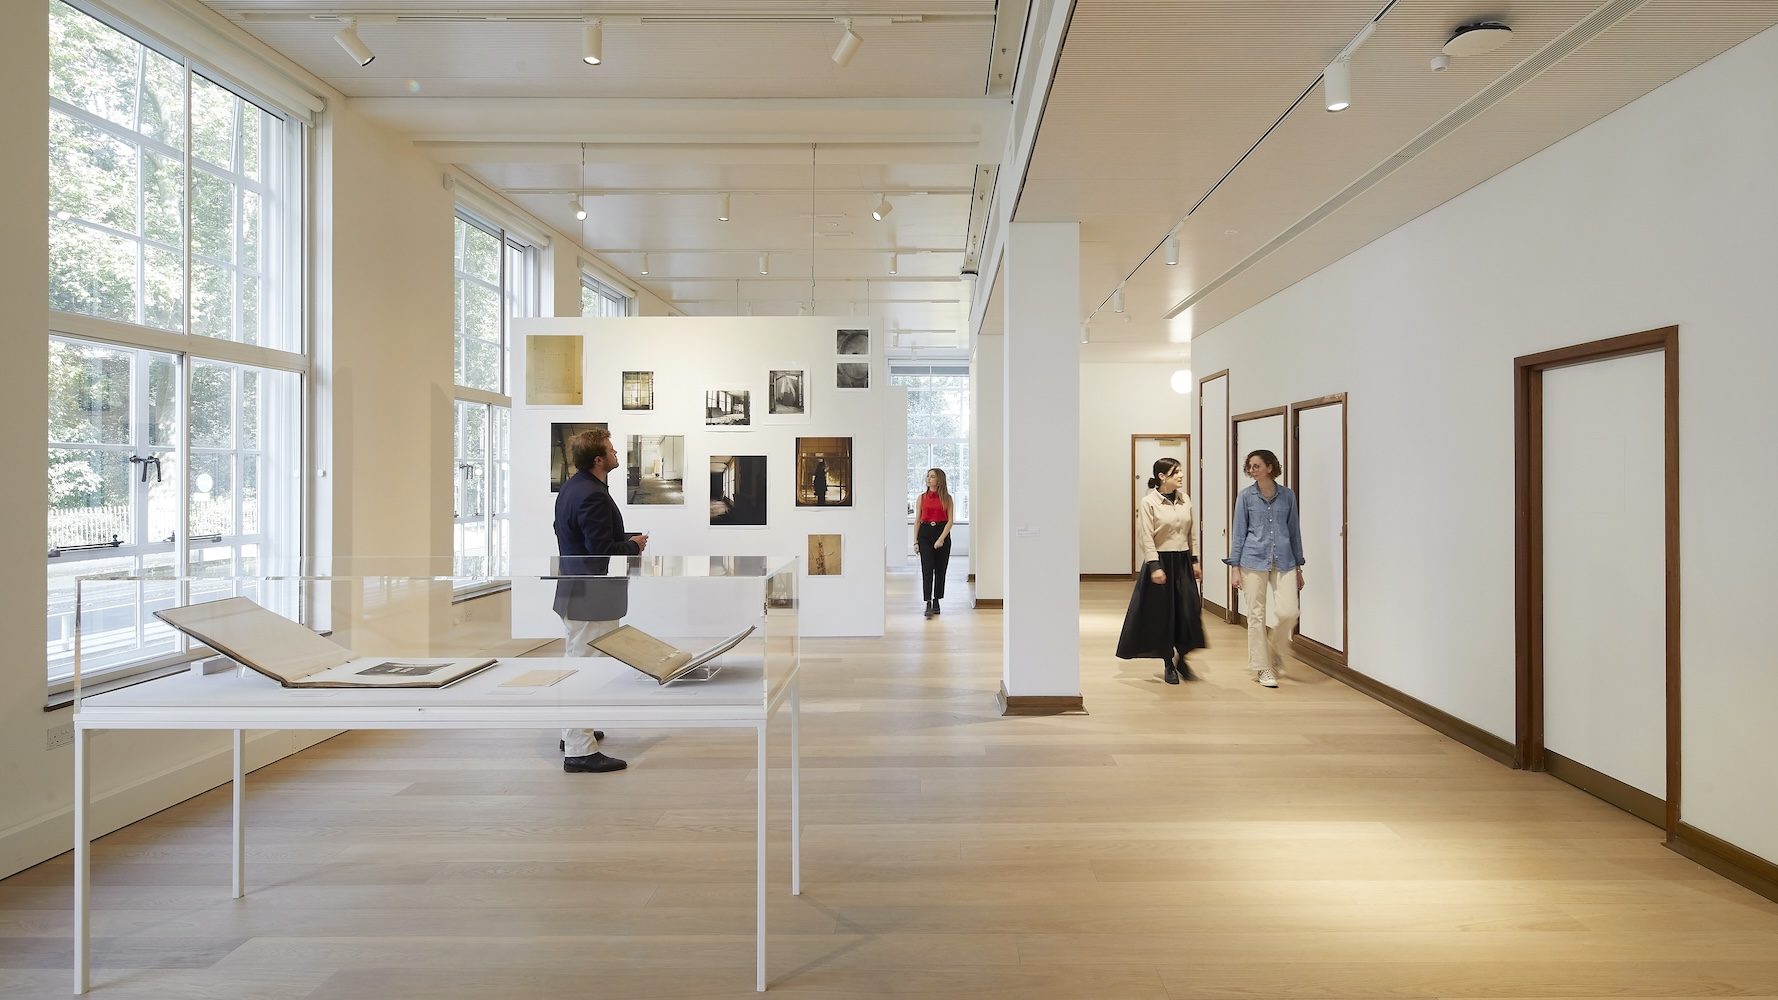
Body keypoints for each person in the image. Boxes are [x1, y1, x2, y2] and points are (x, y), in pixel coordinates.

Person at [553, 427, 649, 772]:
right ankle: (579, 749)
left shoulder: (574, 487)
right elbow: (600, 552)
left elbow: (587, 538)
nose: (616, 455)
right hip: (590, 595)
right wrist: (633, 546)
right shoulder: (592, 494)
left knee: (579, 661)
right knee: (584, 668)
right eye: (611, 450)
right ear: (598, 459)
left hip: (576, 592)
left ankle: (575, 731)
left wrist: (625, 538)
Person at [1116, 457, 1207, 682]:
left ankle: (1182, 658)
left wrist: (1195, 561)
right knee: (1163, 615)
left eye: (1181, 472)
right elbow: (1146, 536)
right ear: (1162, 476)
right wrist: (1154, 566)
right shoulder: (1149, 502)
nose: (1181, 476)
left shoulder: (1185, 499)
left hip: (1183, 561)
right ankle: (1168, 662)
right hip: (1161, 563)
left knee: (1189, 611)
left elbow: (1191, 533)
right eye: (1176, 472)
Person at [1225, 449, 1304, 689]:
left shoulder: (1288, 496)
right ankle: (1263, 667)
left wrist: (1299, 566)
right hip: (1252, 559)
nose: (1251, 470)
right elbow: (1239, 533)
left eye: (1256, 465)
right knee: (1256, 615)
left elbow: (1294, 532)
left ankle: (1274, 649)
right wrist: (1235, 567)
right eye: (1249, 466)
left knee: (1289, 611)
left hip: (1285, 560)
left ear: (1270, 467)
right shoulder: (1246, 497)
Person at [914, 468, 954, 619]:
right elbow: (918, 520)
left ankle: (937, 599)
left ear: (939, 480)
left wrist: (941, 538)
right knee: (927, 569)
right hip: (925, 534)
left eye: (932, 477)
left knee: (940, 570)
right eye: (928, 476)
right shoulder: (921, 498)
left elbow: (950, 521)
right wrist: (915, 541)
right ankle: (928, 602)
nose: (929, 479)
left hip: (942, 532)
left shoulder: (947, 498)